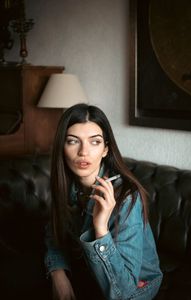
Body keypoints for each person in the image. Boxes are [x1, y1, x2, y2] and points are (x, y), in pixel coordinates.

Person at [45, 103, 163, 300]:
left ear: (105, 149)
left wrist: (100, 228)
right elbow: (53, 232)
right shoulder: (66, 186)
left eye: (95, 142)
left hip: (135, 289)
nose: (84, 152)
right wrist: (58, 272)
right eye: (73, 141)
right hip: (87, 272)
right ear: (62, 147)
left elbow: (122, 293)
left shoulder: (126, 198)